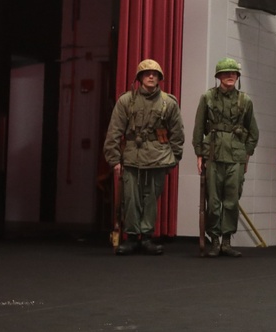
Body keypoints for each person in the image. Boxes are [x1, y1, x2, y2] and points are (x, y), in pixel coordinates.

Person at [103, 59, 185, 256]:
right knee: (130, 199)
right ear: (139, 77)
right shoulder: (126, 101)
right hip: (132, 157)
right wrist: (114, 160)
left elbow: (177, 133)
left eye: (154, 74)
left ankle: (147, 236)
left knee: (150, 199)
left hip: (158, 157)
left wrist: (174, 159)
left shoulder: (168, 102)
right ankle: (131, 237)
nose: (150, 76)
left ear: (159, 78)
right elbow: (114, 132)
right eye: (146, 73)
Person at [192, 58, 259, 258]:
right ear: (219, 76)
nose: (230, 76)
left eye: (234, 73)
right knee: (212, 201)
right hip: (212, 153)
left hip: (236, 156)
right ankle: (214, 240)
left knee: (231, 200)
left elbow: (253, 131)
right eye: (226, 73)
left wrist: (247, 154)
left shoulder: (245, 100)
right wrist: (199, 153)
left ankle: (227, 241)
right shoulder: (207, 98)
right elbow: (198, 128)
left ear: (237, 77)